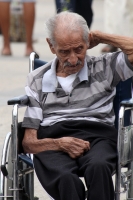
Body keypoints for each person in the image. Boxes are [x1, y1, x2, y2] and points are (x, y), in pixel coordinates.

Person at [22, 11, 133, 200]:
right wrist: (59, 144)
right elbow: (29, 143)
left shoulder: (105, 67)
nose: (73, 60)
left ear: (87, 43)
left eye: (79, 49)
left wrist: (100, 36)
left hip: (99, 137)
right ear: (51, 46)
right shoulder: (37, 80)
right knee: (65, 178)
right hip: (54, 139)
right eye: (64, 51)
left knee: (98, 167)